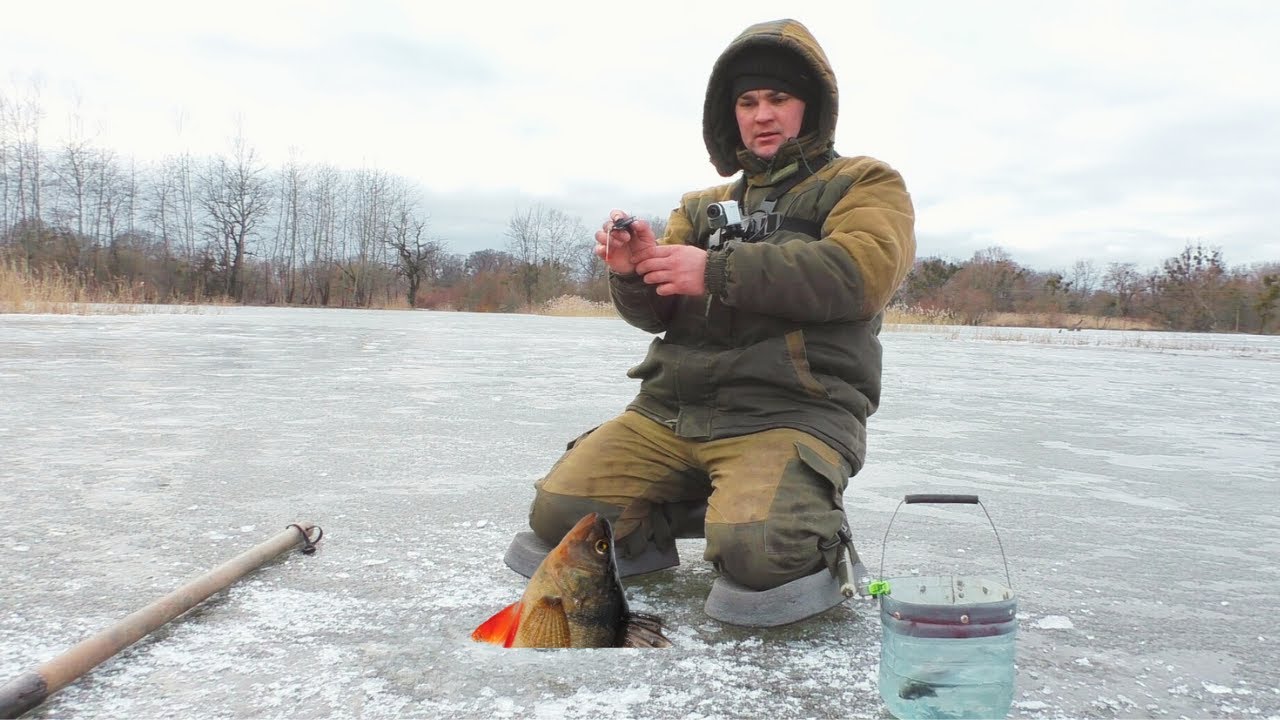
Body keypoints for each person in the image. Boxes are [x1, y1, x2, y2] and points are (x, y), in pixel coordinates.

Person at [507, 18, 916, 603]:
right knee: (560, 515)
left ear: (812, 106)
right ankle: (689, 514)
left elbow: (861, 275)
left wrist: (716, 270)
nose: (762, 114)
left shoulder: (865, 183)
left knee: (762, 551)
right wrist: (633, 273)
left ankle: (803, 528)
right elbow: (656, 316)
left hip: (790, 413)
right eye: (748, 101)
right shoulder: (701, 206)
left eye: (779, 98)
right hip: (672, 412)